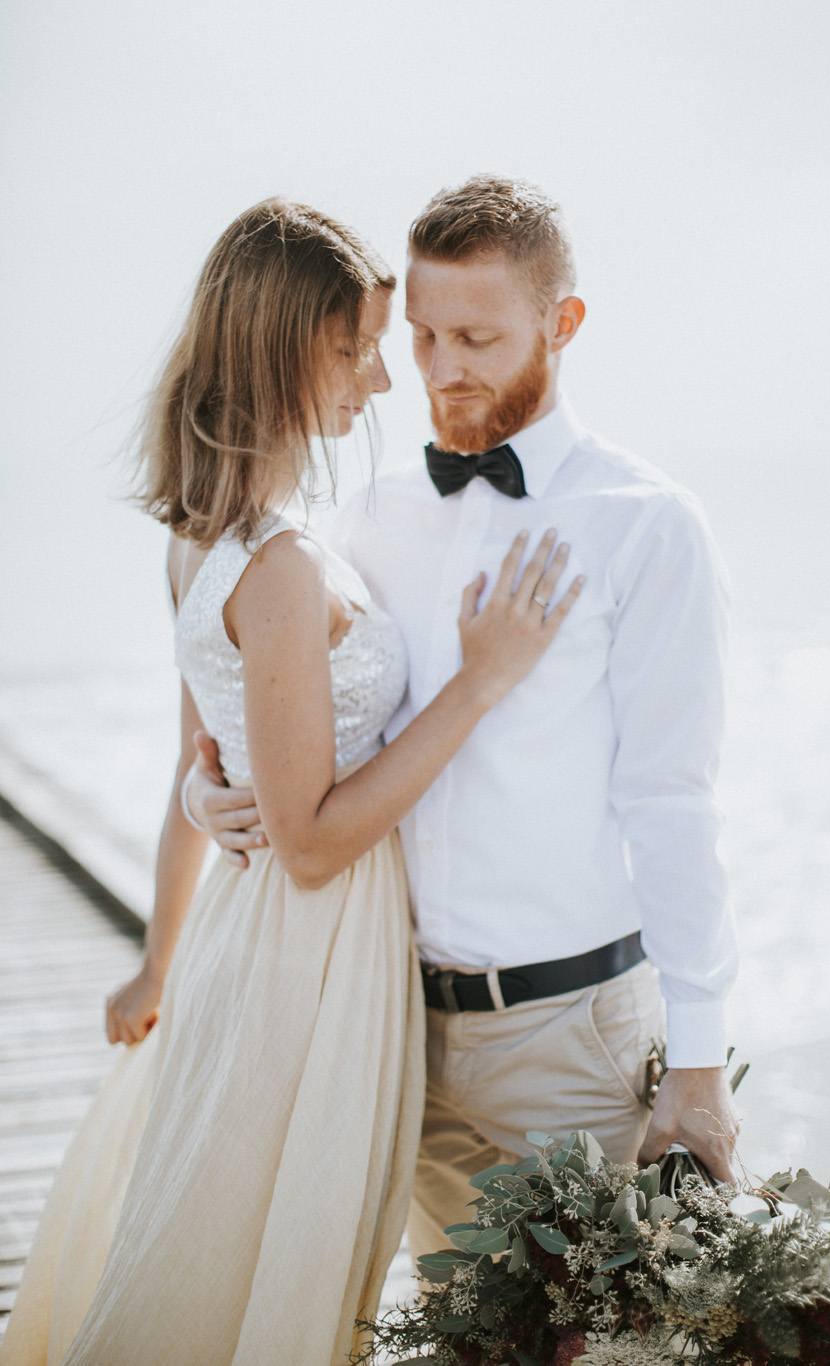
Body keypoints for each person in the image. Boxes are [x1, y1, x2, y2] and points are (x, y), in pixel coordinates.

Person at [0, 198, 582, 1366]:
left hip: (248, 937)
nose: (379, 383)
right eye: (353, 348)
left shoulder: (199, 534)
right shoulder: (275, 565)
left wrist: (160, 959)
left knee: (236, 1252)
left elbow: (197, 767)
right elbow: (312, 840)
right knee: (272, 1277)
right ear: (280, 351)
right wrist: (479, 682)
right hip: (308, 959)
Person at [185, 175, 742, 1264]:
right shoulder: (368, 512)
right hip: (388, 1028)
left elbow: (673, 801)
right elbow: (309, 724)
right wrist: (209, 793)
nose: (440, 371)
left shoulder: (646, 527)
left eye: (477, 337)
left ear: (561, 323)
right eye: (425, 335)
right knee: (461, 1341)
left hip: (570, 1038)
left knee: (625, 1338)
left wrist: (701, 1060)